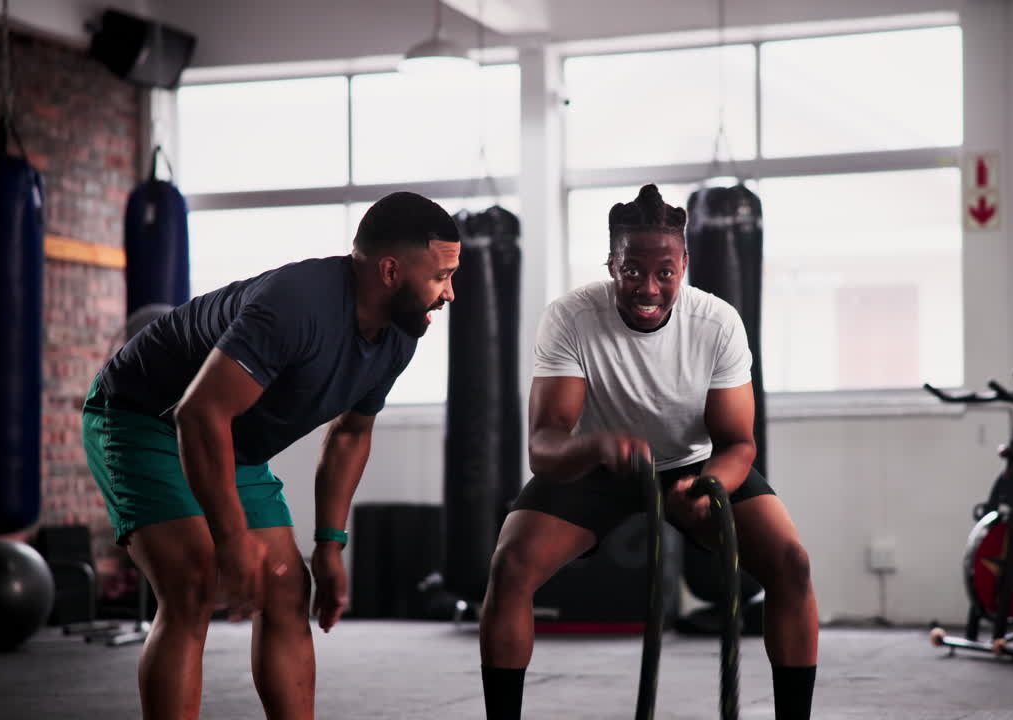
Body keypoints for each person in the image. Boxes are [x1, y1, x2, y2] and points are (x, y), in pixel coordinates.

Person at [81, 191, 460, 720]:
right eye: (441, 276)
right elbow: (198, 414)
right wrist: (232, 537)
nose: (450, 293)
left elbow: (350, 434)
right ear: (391, 270)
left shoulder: (399, 334)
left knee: (285, 586)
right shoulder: (296, 305)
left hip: (226, 437)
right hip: (143, 415)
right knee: (192, 584)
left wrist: (329, 544)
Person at [478, 184, 819, 719]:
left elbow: (738, 443)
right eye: (632, 270)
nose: (649, 288)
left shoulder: (717, 324)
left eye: (665, 272)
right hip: (597, 463)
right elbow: (544, 446)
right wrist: (597, 446)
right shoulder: (570, 317)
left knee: (791, 564)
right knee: (511, 565)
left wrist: (710, 487)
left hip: (693, 465)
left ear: (685, 265)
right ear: (611, 265)